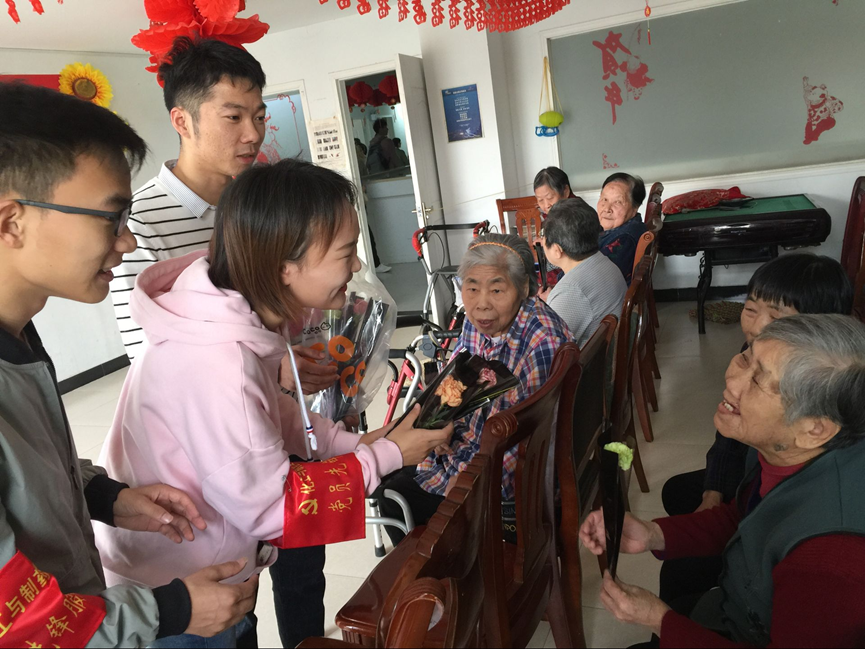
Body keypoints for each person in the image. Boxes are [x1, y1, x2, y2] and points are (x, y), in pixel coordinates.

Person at [94, 159, 452, 647]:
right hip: (175, 593)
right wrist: (386, 455)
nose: (356, 267)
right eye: (346, 252)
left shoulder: (235, 319)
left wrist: (360, 442)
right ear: (284, 266)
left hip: (210, 566)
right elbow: (273, 505)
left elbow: (274, 417)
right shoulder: (218, 362)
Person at [0, 81, 256, 647]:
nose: (128, 242)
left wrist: (104, 496)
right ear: (12, 221)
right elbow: (14, 622)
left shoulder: (19, 338)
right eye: (111, 219)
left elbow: (26, 473)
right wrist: (168, 611)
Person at [109, 37, 336, 647]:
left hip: (283, 423)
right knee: (233, 591)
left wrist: (301, 356)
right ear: (182, 121)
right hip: (213, 452)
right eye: (233, 116)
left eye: (259, 115)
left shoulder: (258, 201)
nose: (252, 133)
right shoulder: (144, 224)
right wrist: (275, 371)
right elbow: (161, 362)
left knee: (301, 568)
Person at [580, 314, 865, 647]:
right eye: (746, 357)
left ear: (814, 429)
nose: (732, 378)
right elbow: (746, 517)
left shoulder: (832, 560)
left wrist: (658, 619)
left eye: (758, 380)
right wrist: (653, 534)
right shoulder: (785, 453)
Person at [658, 253, 853, 606]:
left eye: (777, 317)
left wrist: (658, 618)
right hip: (755, 489)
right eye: (750, 308)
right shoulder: (760, 356)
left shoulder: (827, 531)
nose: (757, 326)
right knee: (679, 494)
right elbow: (733, 455)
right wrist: (712, 494)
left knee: (681, 571)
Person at [378, 234, 571, 545]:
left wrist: (472, 482)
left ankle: (444, 571)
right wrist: (436, 425)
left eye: (496, 290)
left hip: (504, 477)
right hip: (469, 442)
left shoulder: (540, 341)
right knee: (386, 467)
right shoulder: (479, 321)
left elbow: (530, 440)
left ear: (523, 287)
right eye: (471, 288)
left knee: (392, 497)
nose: (481, 303)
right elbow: (456, 382)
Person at [539, 198, 626, 347]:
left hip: (590, 361)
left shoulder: (570, 292)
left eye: (543, 235)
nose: (541, 241)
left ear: (557, 250)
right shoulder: (601, 260)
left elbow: (548, 350)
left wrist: (549, 306)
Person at [597, 172, 647, 284]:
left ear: (635, 208)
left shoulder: (625, 239)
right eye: (604, 199)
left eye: (617, 202)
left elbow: (597, 280)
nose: (607, 209)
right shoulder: (612, 228)